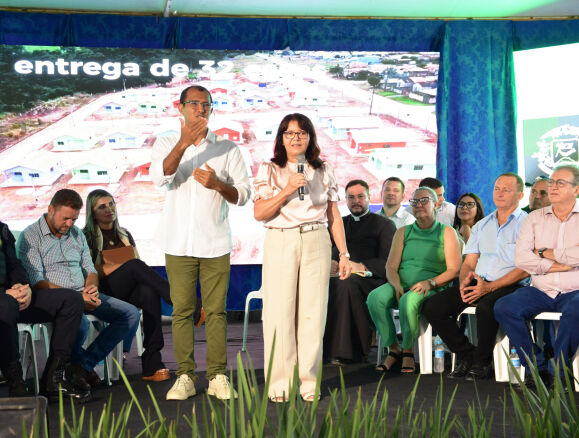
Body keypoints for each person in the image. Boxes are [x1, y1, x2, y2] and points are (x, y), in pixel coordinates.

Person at [151, 85, 251, 401]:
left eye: (205, 104)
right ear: (180, 107)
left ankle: (218, 376)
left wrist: (218, 184)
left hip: (215, 243)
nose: (200, 108)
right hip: (177, 243)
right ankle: (185, 376)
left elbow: (243, 195)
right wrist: (183, 142)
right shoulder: (165, 142)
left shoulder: (228, 148)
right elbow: (160, 177)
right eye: (193, 103)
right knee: (182, 311)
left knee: (217, 312)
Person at [253, 113, 350, 402]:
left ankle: (309, 383)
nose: (296, 138)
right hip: (281, 239)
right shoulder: (270, 169)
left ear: (310, 137)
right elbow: (260, 213)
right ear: (281, 138)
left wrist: (344, 253)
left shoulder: (324, 169)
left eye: (302, 133)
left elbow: (333, 215)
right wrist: (287, 189)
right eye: (290, 133)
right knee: (279, 314)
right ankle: (280, 385)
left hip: (316, 238)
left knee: (313, 313)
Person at [17, 189, 140, 392]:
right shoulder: (31, 236)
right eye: (65, 218)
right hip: (55, 299)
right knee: (80, 324)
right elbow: (36, 281)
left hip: (84, 293)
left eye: (73, 219)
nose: (69, 224)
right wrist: (76, 297)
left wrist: (91, 288)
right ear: (50, 209)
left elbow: (90, 269)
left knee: (130, 314)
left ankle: (82, 365)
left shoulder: (76, 234)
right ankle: (77, 368)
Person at [422, 173, 529, 380]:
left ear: (520, 195)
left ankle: (483, 361)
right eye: (497, 188)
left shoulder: (528, 223)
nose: (499, 193)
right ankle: (467, 354)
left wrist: (489, 287)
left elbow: (525, 268)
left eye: (506, 190)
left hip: (511, 284)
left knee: (486, 308)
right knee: (433, 306)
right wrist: (464, 283)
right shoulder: (483, 225)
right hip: (478, 281)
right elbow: (469, 263)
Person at [495, 164, 579, 388]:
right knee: (504, 307)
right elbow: (522, 259)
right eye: (551, 182)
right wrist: (560, 266)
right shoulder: (534, 218)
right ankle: (536, 367)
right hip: (541, 290)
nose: (553, 187)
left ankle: (559, 371)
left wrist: (547, 253)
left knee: (576, 309)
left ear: (576, 189)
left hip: (575, 291)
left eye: (560, 183)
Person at [367, 186, 461, 374]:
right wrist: (395, 284)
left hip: (432, 286)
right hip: (401, 282)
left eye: (424, 200)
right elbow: (390, 267)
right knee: (375, 298)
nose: (419, 205)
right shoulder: (403, 231)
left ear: (436, 205)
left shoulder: (447, 232)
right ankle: (394, 348)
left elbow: (454, 270)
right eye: (415, 201)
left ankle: (408, 351)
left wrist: (430, 283)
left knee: (408, 300)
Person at [82, 189, 173, 382]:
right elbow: (88, 271)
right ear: (92, 213)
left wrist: (127, 268)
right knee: (134, 266)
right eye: (102, 207)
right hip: (102, 291)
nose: (109, 209)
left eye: (111, 204)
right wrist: (122, 267)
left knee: (148, 291)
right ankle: (181, 301)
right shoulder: (86, 236)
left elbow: (137, 268)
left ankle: (152, 362)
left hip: (126, 290)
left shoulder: (124, 234)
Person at [0, 220, 89, 401]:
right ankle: (16, 383)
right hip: (5, 302)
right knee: (6, 305)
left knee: (71, 299)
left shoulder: (2, 229)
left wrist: (22, 286)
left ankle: (53, 380)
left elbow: (14, 265)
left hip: (14, 297)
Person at [323, 180, 396, 365]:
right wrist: (328, 262)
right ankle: (319, 350)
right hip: (338, 276)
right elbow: (322, 250)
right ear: (345, 200)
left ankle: (347, 352)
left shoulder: (384, 225)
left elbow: (389, 262)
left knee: (346, 284)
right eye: (351, 197)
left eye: (361, 196)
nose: (356, 201)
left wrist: (361, 266)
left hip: (372, 279)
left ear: (369, 198)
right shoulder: (337, 224)